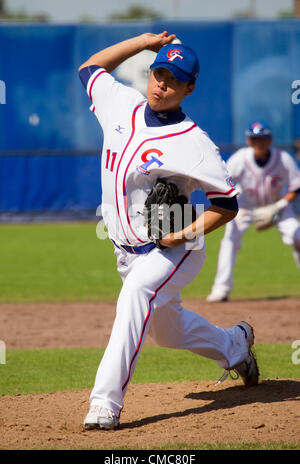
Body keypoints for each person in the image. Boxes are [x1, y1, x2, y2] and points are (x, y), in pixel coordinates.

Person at [78, 31, 259, 431]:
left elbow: (227, 205)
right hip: (127, 249)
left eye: (174, 79)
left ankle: (105, 404)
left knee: (136, 295)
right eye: (159, 73)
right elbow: (90, 68)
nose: (162, 83)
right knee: (167, 331)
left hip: (177, 245)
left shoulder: (194, 143)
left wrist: (182, 234)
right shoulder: (119, 103)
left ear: (188, 88)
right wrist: (142, 41)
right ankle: (235, 344)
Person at [207, 121, 300, 302]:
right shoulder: (240, 159)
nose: (259, 143)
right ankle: (221, 289)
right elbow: (224, 182)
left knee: (298, 235)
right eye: (254, 139)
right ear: (248, 141)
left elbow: (296, 186)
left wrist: (279, 206)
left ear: (270, 140)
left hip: (277, 206)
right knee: (229, 240)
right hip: (245, 208)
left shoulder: (283, 159)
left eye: (262, 139)